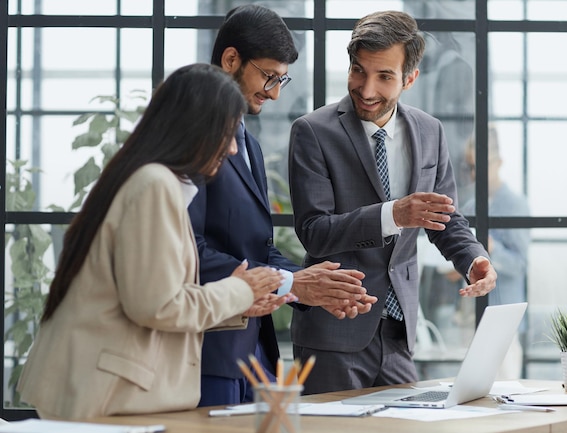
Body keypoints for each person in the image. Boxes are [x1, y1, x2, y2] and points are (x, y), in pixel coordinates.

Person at [16, 63, 293, 420]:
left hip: (107, 393)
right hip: (109, 397)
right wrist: (239, 290)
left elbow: (149, 296)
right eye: (226, 134)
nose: (233, 151)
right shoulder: (154, 185)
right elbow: (157, 306)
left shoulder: (147, 179)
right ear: (197, 129)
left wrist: (240, 303)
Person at [288, 10, 498, 394]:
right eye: (358, 71)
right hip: (334, 332)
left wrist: (473, 258)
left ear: (410, 78)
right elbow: (315, 233)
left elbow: (445, 217)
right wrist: (393, 214)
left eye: (384, 76)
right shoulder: (312, 132)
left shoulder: (429, 131)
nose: (366, 90)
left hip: (400, 333)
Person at [188, 4, 377, 407]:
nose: (274, 93)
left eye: (281, 80)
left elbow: (259, 248)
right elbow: (189, 251)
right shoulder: (191, 141)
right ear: (231, 59)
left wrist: (314, 285)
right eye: (269, 76)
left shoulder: (249, 145)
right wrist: (290, 283)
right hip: (207, 354)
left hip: (255, 352)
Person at [452, 125, 531, 378]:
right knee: (470, 389)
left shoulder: (514, 205)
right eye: (470, 167)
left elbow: (520, 264)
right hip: (471, 316)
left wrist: (493, 249)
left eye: (480, 166)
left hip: (502, 318)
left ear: (499, 163)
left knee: (505, 392)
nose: (474, 174)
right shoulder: (471, 205)